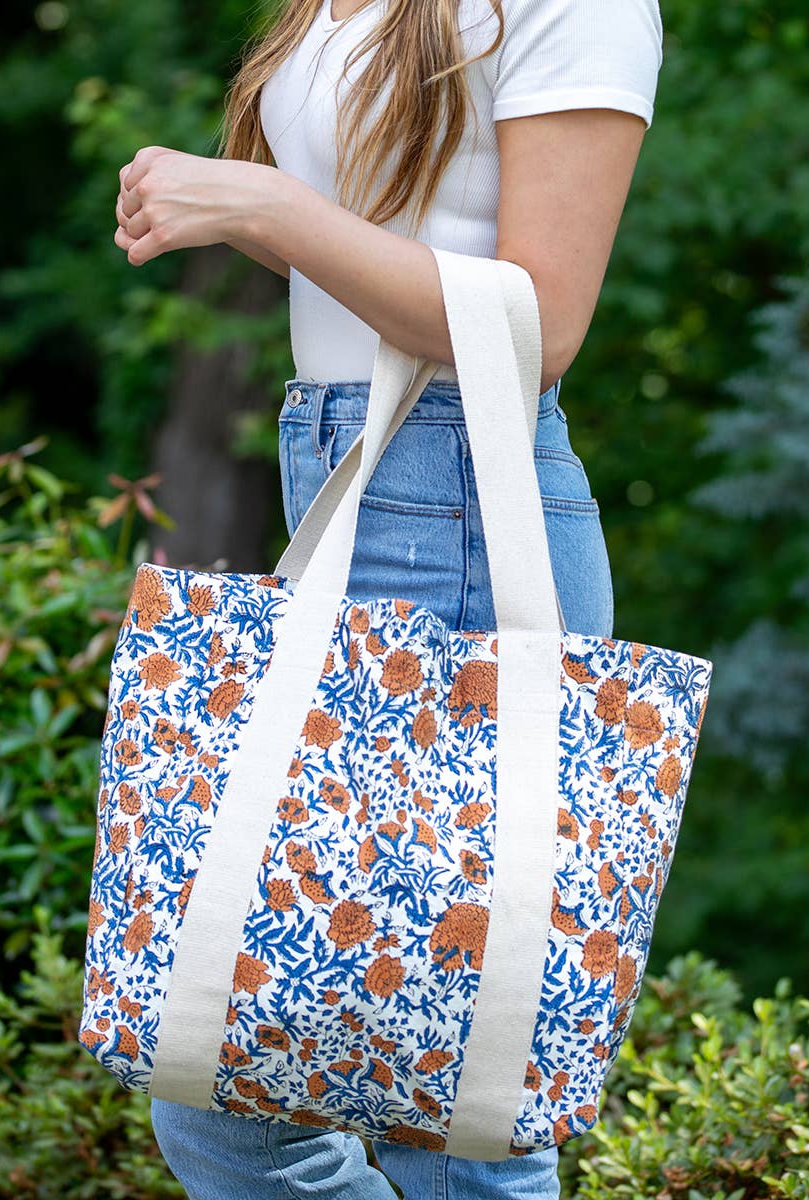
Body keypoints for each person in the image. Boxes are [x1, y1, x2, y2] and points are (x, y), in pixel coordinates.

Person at [112, 1, 663, 1195]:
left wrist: (265, 206)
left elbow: (541, 323)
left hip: (464, 502)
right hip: (347, 476)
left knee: (454, 1115)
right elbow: (383, 241)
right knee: (216, 1083)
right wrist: (231, 205)